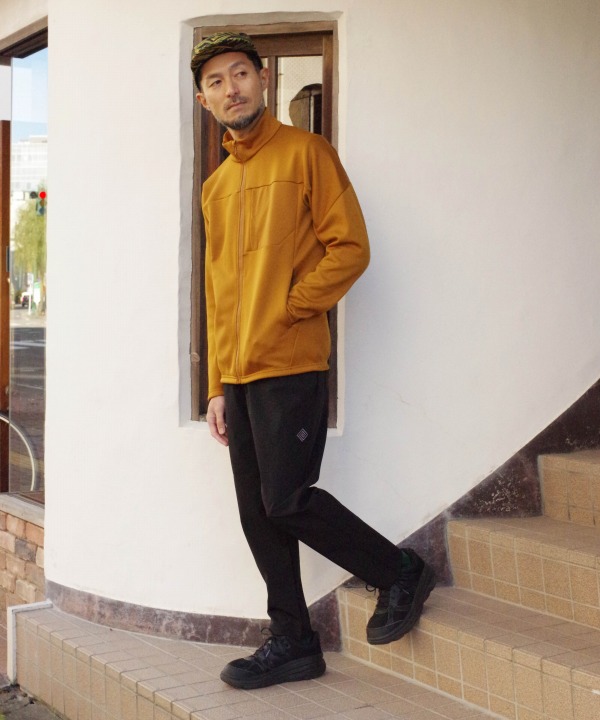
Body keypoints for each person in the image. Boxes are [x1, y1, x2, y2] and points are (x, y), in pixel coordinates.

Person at [191, 32, 436, 690]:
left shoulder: (307, 153)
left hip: (291, 363)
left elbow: (349, 247)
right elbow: (217, 292)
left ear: (263, 79)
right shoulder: (216, 187)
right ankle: (293, 640)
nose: (231, 88)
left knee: (287, 500)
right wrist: (216, 384)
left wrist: (292, 307)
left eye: (240, 73)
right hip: (239, 376)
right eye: (216, 82)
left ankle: (399, 571)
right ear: (204, 100)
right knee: (257, 511)